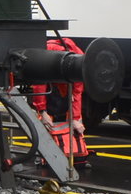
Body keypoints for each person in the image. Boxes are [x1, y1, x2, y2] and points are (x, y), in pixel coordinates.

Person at [33, 36, 89, 167]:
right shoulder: (48, 54)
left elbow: (77, 91)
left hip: (58, 86)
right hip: (50, 86)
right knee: (47, 120)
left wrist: (75, 118)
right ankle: (47, 154)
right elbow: (39, 85)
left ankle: (59, 154)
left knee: (60, 118)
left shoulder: (80, 58)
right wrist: (43, 111)